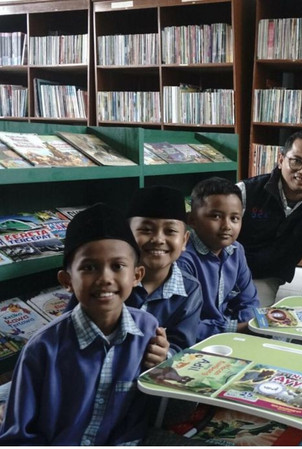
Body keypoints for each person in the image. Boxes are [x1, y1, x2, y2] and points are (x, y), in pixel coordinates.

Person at [0, 203, 161, 444]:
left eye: (117, 266)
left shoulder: (147, 330)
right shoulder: (41, 349)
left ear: (136, 275)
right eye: (89, 267)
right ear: (67, 280)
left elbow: (138, 416)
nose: (105, 278)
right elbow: (19, 436)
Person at [237, 129, 302, 306]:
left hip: (265, 277)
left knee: (252, 317)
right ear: (280, 160)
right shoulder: (245, 191)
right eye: (296, 161)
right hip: (228, 268)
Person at [177, 177, 259, 341]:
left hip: (229, 333)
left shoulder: (236, 250)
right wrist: (235, 329)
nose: (227, 226)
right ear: (191, 220)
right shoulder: (183, 260)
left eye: (234, 218)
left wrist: (248, 323)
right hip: (196, 341)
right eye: (216, 216)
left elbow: (248, 300)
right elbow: (183, 324)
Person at [126, 185, 203, 356]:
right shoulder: (111, 281)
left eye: (170, 231)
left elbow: (183, 345)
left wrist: (165, 354)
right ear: (127, 235)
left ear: (184, 241)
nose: (158, 239)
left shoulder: (190, 289)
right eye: (145, 230)